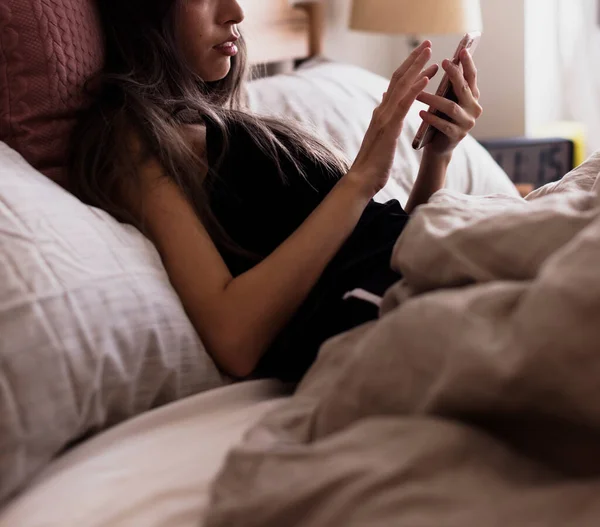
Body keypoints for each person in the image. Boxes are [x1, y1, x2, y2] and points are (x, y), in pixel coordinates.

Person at [69, 0, 483, 382]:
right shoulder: (129, 138)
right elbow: (233, 337)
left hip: (419, 276)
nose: (235, 12)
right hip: (396, 316)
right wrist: (359, 182)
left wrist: (437, 158)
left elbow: (376, 247)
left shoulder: (208, 124)